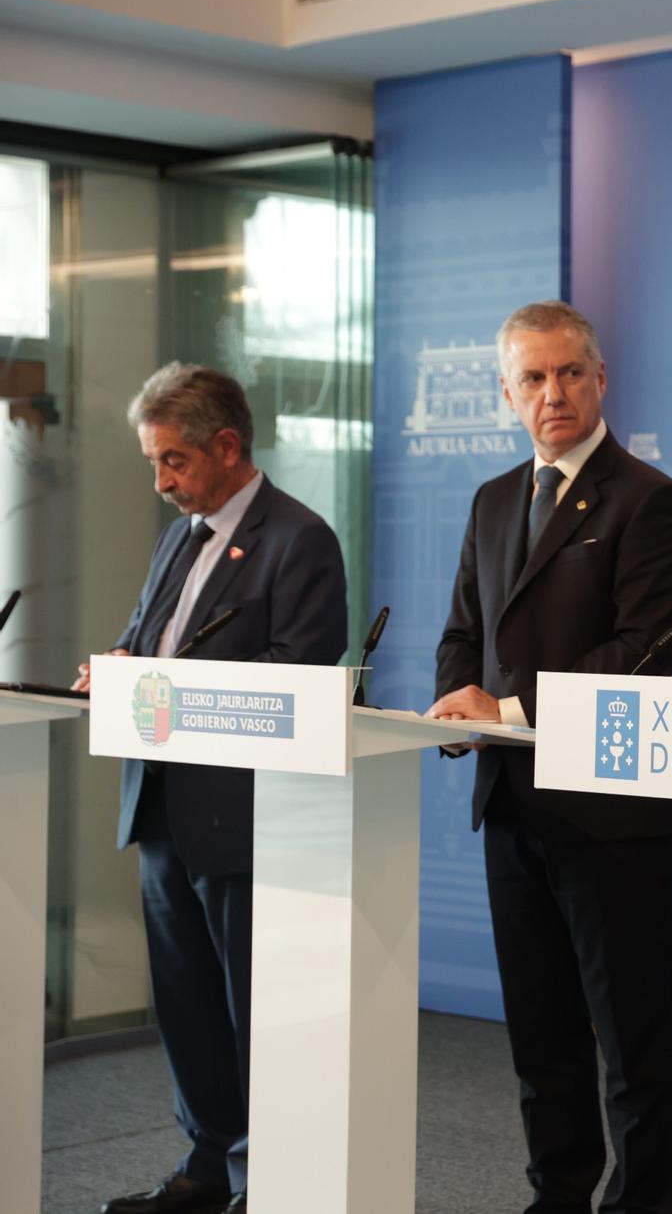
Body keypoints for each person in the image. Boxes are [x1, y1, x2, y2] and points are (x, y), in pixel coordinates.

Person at [427, 301, 672, 1214]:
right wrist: (455, 706)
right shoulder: (494, 499)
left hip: (610, 812)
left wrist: (501, 706)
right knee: (541, 1032)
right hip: (510, 799)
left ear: (601, 378)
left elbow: (645, 652)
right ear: (507, 392)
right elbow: (463, 630)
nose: (555, 394)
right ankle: (558, 1192)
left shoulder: (649, 498)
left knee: (630, 1041)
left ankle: (639, 1202)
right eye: (534, 379)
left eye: (570, 373)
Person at [76, 363, 348, 1214]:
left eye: (174, 461)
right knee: (186, 1004)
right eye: (155, 462)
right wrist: (116, 666)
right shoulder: (181, 535)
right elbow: (144, 639)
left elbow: (299, 675)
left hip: (241, 814)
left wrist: (166, 682)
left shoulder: (299, 539)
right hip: (159, 804)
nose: (161, 482)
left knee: (248, 1009)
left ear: (227, 447)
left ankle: (264, 1178)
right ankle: (206, 1160)